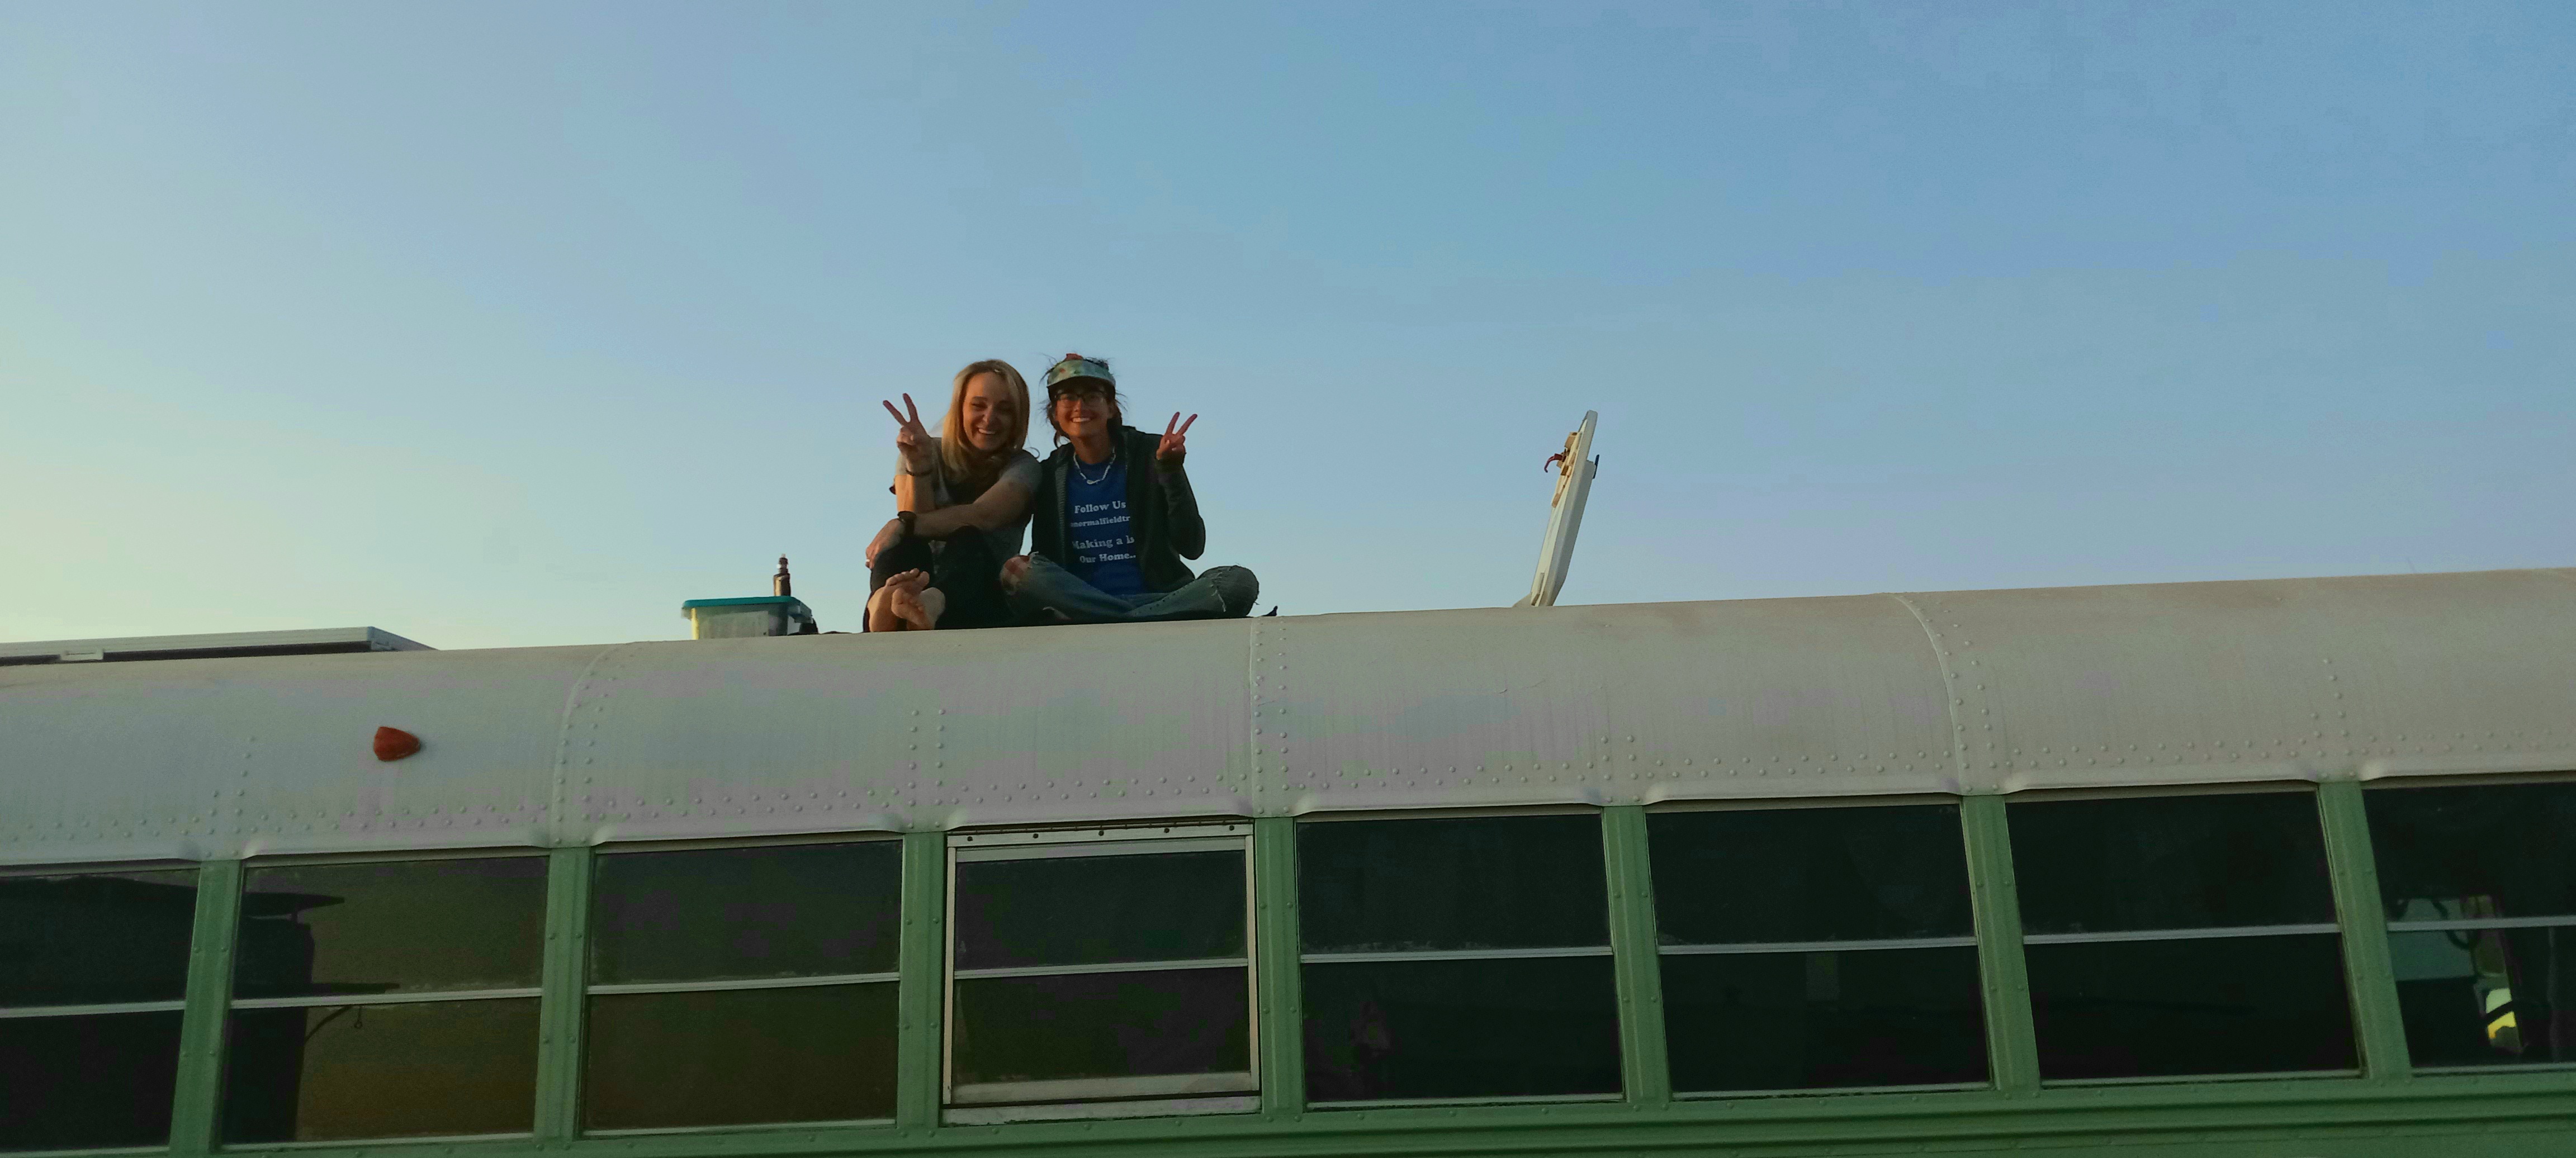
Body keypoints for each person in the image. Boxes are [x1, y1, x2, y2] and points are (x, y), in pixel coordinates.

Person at [1003, 354, 1258, 624]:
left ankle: (1113, 619)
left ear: (1111, 408)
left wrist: (1170, 472)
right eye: (1068, 397)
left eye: (1092, 396)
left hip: (1158, 598)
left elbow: (1192, 546)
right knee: (1015, 571)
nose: (1080, 406)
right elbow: (1044, 560)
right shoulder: (1048, 473)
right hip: (1084, 599)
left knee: (1238, 582)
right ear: (1055, 412)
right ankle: (1134, 618)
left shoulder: (1152, 453)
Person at [864, 359, 1040, 631]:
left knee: (968, 537)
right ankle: (884, 603)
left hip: (976, 600)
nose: (989, 418)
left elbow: (985, 516)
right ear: (959, 409)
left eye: (1005, 410)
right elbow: (916, 528)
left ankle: (930, 604)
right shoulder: (921, 449)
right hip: (914, 580)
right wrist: (919, 467)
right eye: (978, 406)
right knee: (905, 544)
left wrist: (902, 524)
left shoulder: (1024, 467)